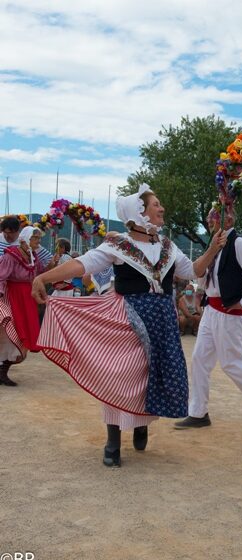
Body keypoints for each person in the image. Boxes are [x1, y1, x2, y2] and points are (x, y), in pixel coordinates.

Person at [31, 184, 227, 467]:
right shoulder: (118, 245)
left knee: (149, 375)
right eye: (156, 204)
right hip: (127, 316)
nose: (162, 208)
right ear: (140, 212)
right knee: (119, 372)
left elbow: (194, 271)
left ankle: (140, 424)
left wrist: (211, 249)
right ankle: (112, 439)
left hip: (160, 319)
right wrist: (44, 278)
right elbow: (83, 265)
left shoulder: (168, 247)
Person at [174, 207, 242, 429]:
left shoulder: (239, 243)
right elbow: (206, 277)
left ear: (228, 217)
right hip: (212, 310)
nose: (209, 221)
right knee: (200, 359)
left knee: (232, 362)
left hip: (228, 312)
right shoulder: (216, 244)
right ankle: (198, 412)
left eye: (212, 217)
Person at [0, 226, 44, 386]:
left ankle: (3, 372)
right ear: (26, 239)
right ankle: (2, 372)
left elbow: (40, 274)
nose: (39, 241)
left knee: (22, 333)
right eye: (36, 238)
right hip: (13, 296)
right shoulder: (12, 255)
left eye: (39, 238)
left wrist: (53, 265)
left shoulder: (34, 256)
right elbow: (1, 276)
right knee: (11, 332)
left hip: (27, 297)